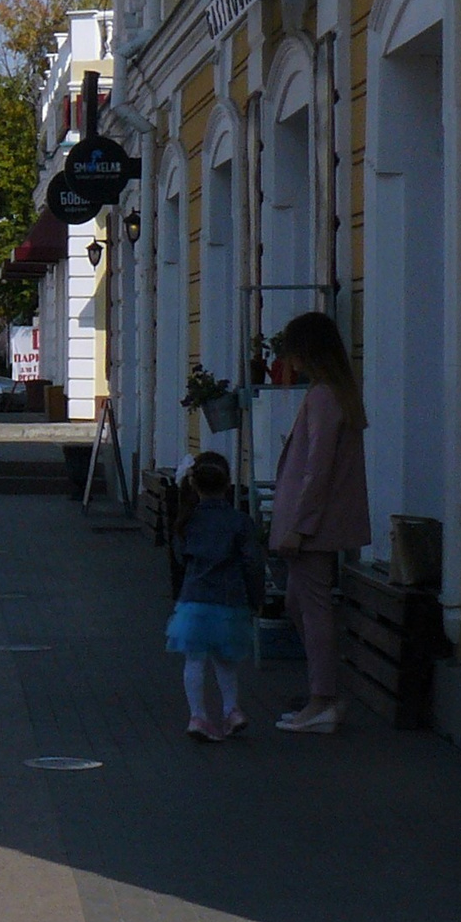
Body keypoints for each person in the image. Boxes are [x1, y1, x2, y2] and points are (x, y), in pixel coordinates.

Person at [268, 310, 370, 734]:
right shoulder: (333, 393)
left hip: (312, 527)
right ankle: (321, 694)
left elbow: (318, 468)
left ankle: (322, 699)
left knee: (312, 610)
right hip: (318, 523)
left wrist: (299, 526)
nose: (290, 362)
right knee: (301, 604)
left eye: (293, 353)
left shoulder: (324, 396)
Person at [168, 451, 264, 739]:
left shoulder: (187, 521)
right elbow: (253, 563)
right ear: (229, 484)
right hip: (230, 601)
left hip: (194, 601)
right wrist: (256, 598)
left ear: (194, 485)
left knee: (194, 660)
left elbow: (180, 559)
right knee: (226, 660)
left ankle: (197, 716)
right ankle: (231, 710)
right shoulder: (240, 522)